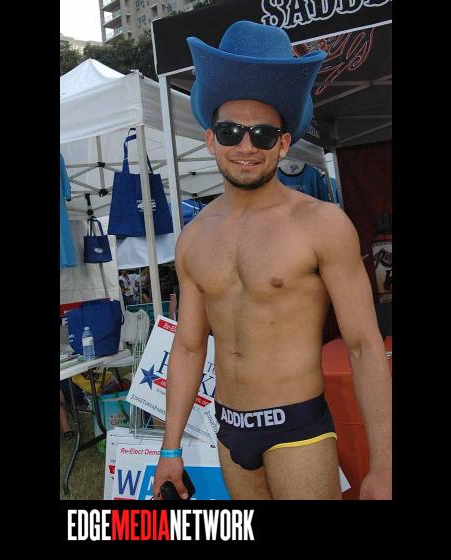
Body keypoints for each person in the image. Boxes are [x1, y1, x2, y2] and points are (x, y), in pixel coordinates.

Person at [153, 21, 392, 500]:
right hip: (228, 432)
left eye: (262, 135)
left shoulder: (322, 224)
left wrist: (384, 468)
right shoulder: (193, 238)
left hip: (298, 429)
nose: (246, 147)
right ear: (211, 140)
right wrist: (170, 448)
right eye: (230, 132)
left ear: (283, 144)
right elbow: (189, 347)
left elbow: (365, 346)